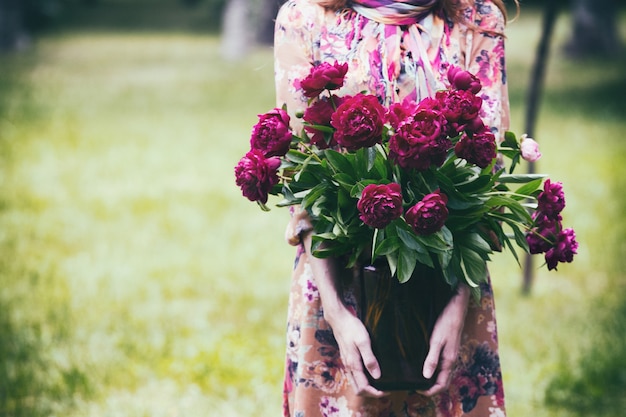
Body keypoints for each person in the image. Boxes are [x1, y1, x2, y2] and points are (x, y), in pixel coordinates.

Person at [274, 0, 515, 415]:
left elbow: (485, 177)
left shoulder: (477, 19)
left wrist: (456, 308)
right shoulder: (304, 19)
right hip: (337, 290)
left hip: (451, 287)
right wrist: (337, 314)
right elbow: (303, 184)